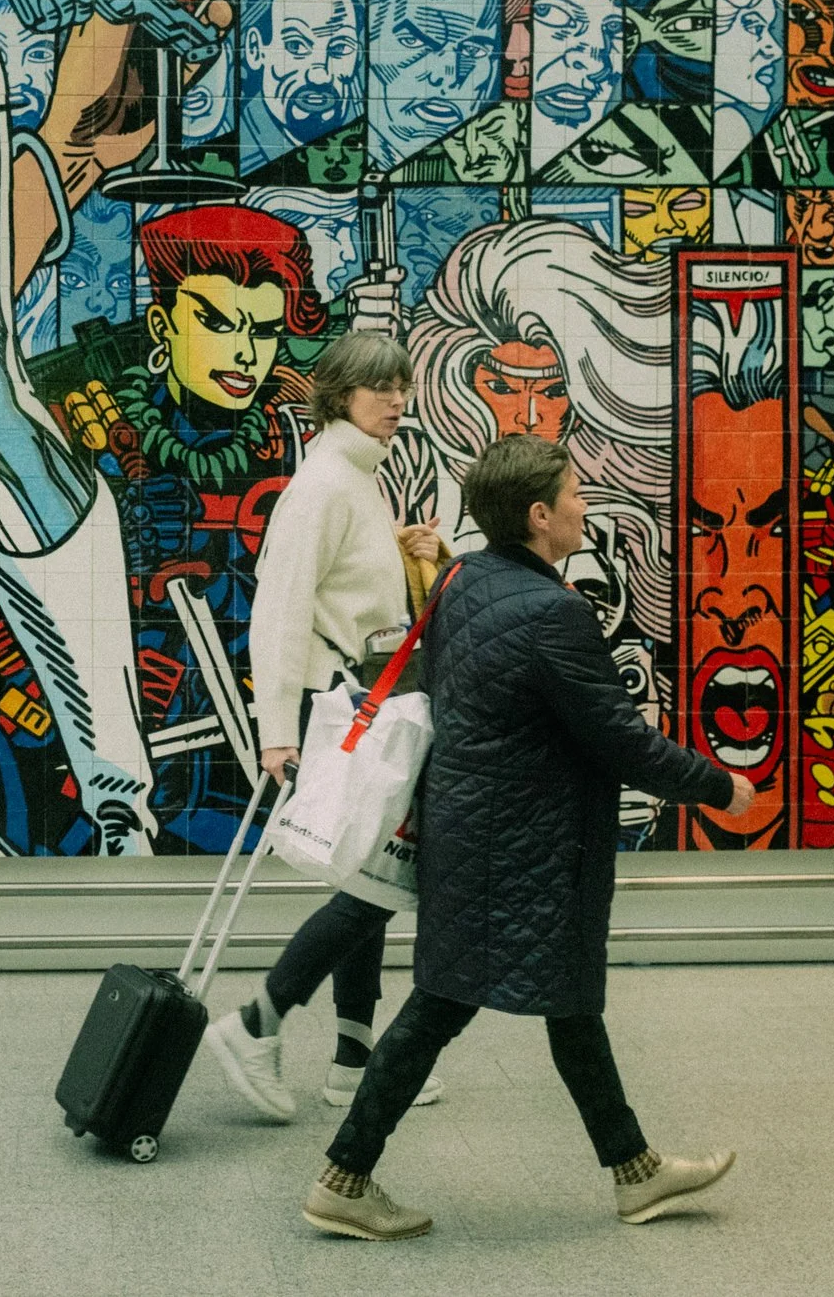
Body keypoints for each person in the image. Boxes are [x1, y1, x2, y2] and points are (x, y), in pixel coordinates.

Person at [301, 435, 753, 1240]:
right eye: (575, 492)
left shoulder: (463, 581)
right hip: (526, 849)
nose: (585, 503)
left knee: (566, 1005)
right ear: (540, 516)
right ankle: (343, 1176)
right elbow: (623, 740)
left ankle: (635, 1172)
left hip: (478, 833)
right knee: (445, 1008)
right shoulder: (553, 611)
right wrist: (722, 788)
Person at [206, 333, 446, 1122]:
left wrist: (408, 552)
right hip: (347, 709)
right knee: (373, 882)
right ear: (341, 393)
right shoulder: (323, 486)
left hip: (370, 704)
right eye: (381, 388)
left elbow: (354, 591)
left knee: (367, 876)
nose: (397, 402)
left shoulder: (356, 479)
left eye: (402, 387)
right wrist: (276, 729)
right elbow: (276, 612)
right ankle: (257, 1024)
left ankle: (350, 1058)